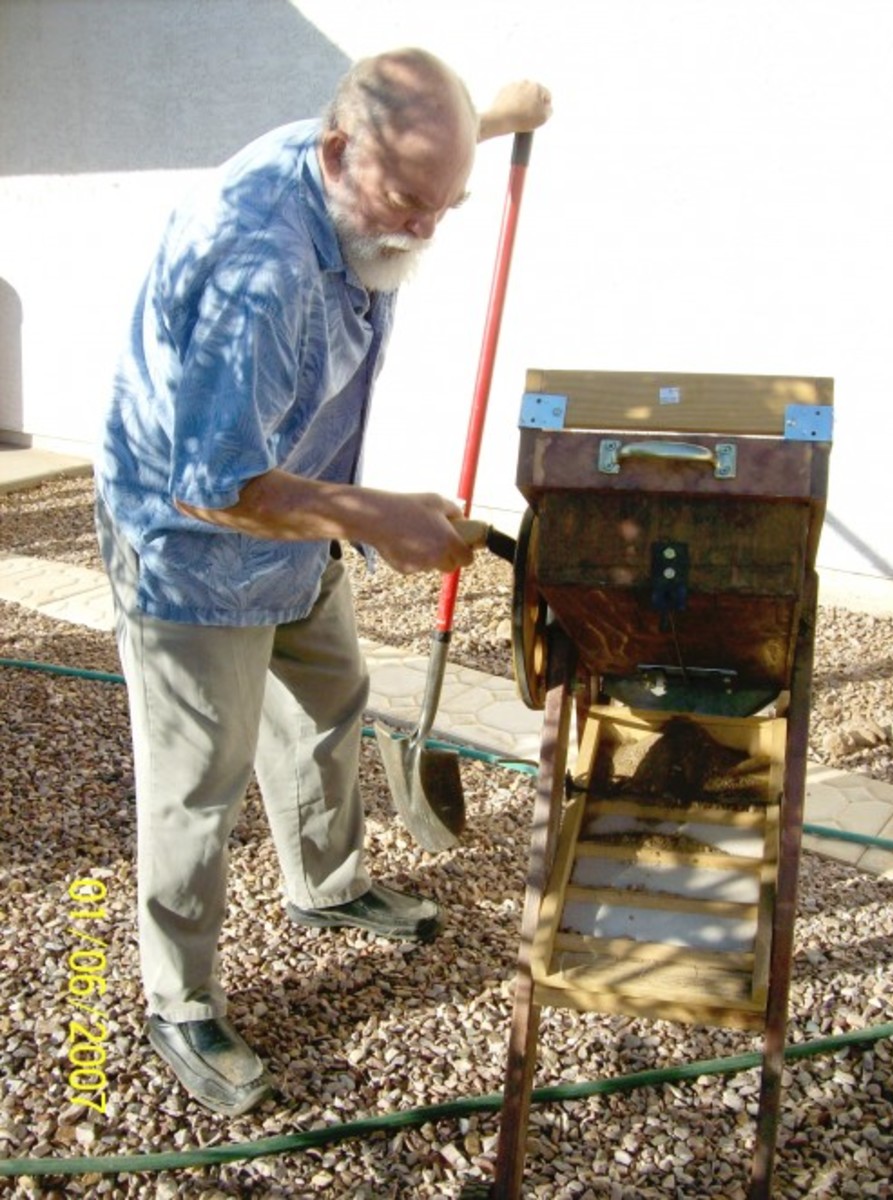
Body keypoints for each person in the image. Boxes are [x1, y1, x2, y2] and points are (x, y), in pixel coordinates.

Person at [94, 47, 552, 1117]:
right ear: (339, 151)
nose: (425, 228)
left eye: (448, 204)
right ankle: (177, 1001)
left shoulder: (357, 162)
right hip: (192, 543)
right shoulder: (261, 270)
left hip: (294, 512)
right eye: (408, 201)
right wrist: (378, 516)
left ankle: (325, 883)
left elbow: (425, 152)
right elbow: (212, 485)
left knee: (327, 697)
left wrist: (495, 117)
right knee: (197, 781)